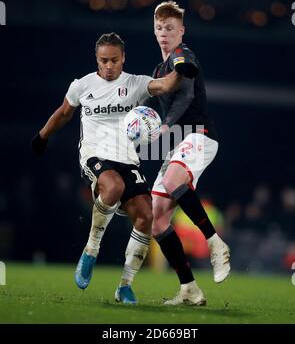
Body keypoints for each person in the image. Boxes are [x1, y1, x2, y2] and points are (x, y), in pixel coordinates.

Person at [31, 32, 192, 304]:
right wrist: (43, 135)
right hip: (95, 155)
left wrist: (181, 68)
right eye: (103, 60)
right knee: (113, 186)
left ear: (123, 58)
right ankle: (91, 250)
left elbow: (166, 85)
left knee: (146, 214)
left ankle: (125, 286)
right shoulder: (81, 86)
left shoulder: (136, 83)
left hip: (128, 159)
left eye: (114, 60)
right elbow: (63, 113)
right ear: (97, 59)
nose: (108, 66)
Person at [145, 1, 231, 306]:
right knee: (156, 218)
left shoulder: (184, 55)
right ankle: (189, 289)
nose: (164, 33)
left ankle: (214, 243)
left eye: (170, 28)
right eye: (159, 28)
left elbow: (188, 90)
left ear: (181, 31)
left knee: (172, 179)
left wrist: (166, 125)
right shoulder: (158, 69)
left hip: (200, 135)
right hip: (179, 142)